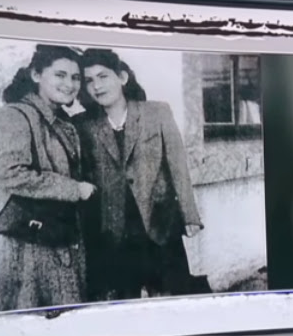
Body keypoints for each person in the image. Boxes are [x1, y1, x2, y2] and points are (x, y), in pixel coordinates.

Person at [74, 48, 205, 301]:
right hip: (114, 229)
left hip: (160, 222)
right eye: (89, 81)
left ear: (122, 77)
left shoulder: (157, 112)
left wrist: (189, 214)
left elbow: (177, 165)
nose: (97, 86)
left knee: (171, 294)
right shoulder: (84, 124)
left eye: (103, 76)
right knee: (125, 297)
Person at [0, 45, 97, 311]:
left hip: (61, 240)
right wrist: (74, 189)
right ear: (36, 74)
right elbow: (8, 173)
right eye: (60, 75)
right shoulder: (15, 116)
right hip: (32, 248)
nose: (69, 84)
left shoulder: (61, 121)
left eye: (75, 77)